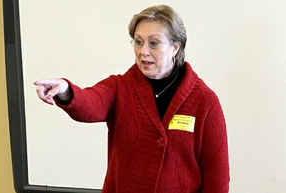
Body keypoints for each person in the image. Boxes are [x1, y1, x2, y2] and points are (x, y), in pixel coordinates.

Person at [34, 5, 230, 193]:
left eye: (153, 43)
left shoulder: (205, 101)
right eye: (138, 41)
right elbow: (92, 101)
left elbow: (217, 176)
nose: (143, 51)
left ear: (175, 48)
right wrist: (66, 90)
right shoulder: (120, 87)